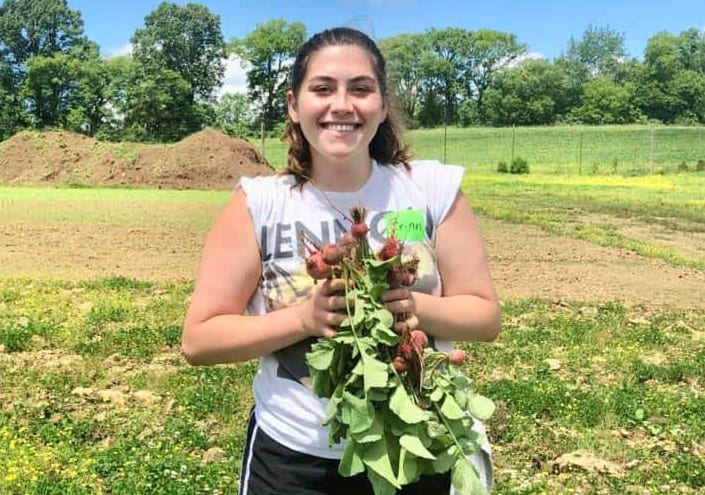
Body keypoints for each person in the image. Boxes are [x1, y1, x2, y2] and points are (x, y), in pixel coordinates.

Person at [182, 26, 501, 495]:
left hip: (416, 450)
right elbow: (199, 340)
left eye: (361, 89)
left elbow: (485, 316)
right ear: (294, 105)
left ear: (382, 104)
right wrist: (306, 318)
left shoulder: (430, 189)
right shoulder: (261, 202)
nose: (342, 105)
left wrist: (413, 307)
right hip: (294, 461)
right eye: (323, 88)